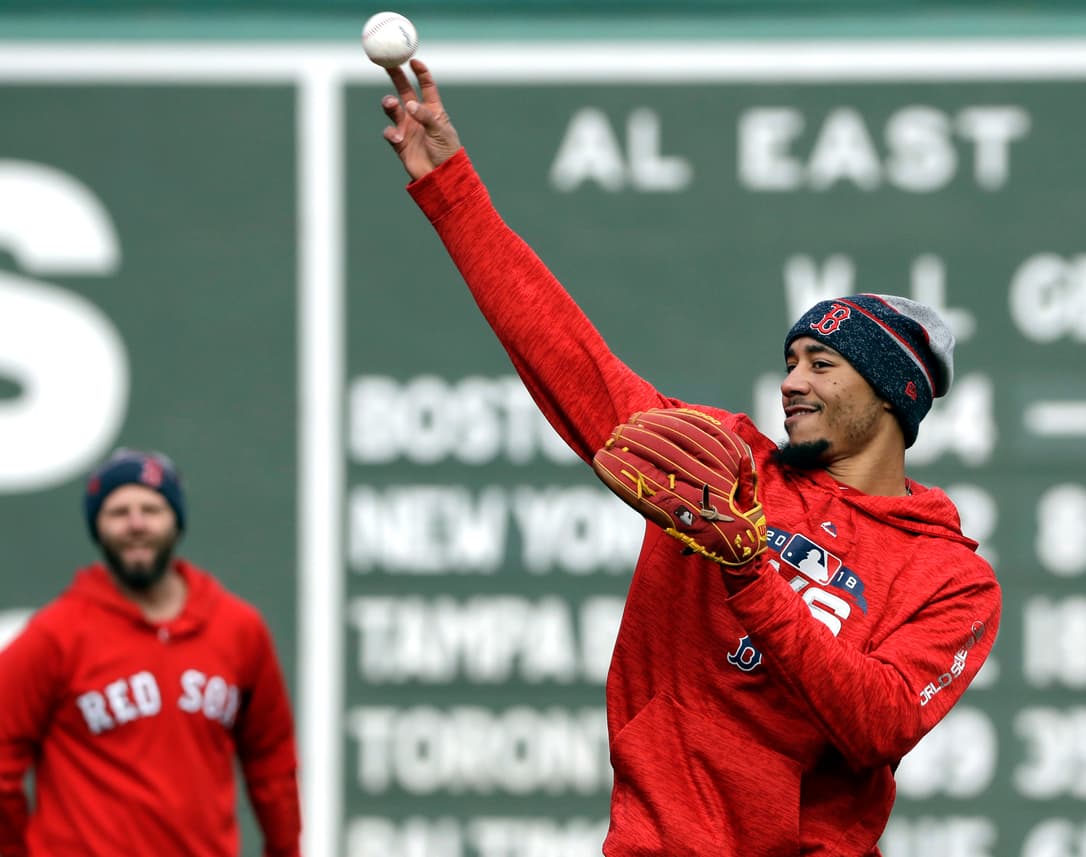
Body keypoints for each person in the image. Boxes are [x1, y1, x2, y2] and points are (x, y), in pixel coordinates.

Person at [377, 60, 1002, 856]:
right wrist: (451, 190)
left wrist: (751, 570)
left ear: (890, 394)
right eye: (790, 359)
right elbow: (568, 355)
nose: (790, 381)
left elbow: (878, 724)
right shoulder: (721, 463)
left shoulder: (950, 577)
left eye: (821, 364)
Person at [0, 449, 302, 857]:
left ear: (176, 520)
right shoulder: (56, 635)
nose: (136, 524)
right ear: (97, 527)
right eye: (118, 512)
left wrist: (285, 850)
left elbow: (272, 762)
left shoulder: (238, 628)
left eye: (151, 508)